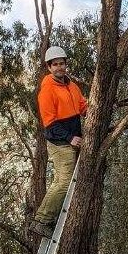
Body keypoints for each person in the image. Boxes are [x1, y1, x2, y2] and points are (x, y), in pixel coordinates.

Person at [30, 45, 88, 239]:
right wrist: (70, 137)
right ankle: (42, 220)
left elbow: (83, 106)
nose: (59, 67)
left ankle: (50, 217)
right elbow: (50, 124)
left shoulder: (71, 86)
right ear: (49, 67)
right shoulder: (47, 91)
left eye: (62, 63)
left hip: (74, 140)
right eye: (55, 65)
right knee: (63, 182)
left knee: (70, 183)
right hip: (60, 143)